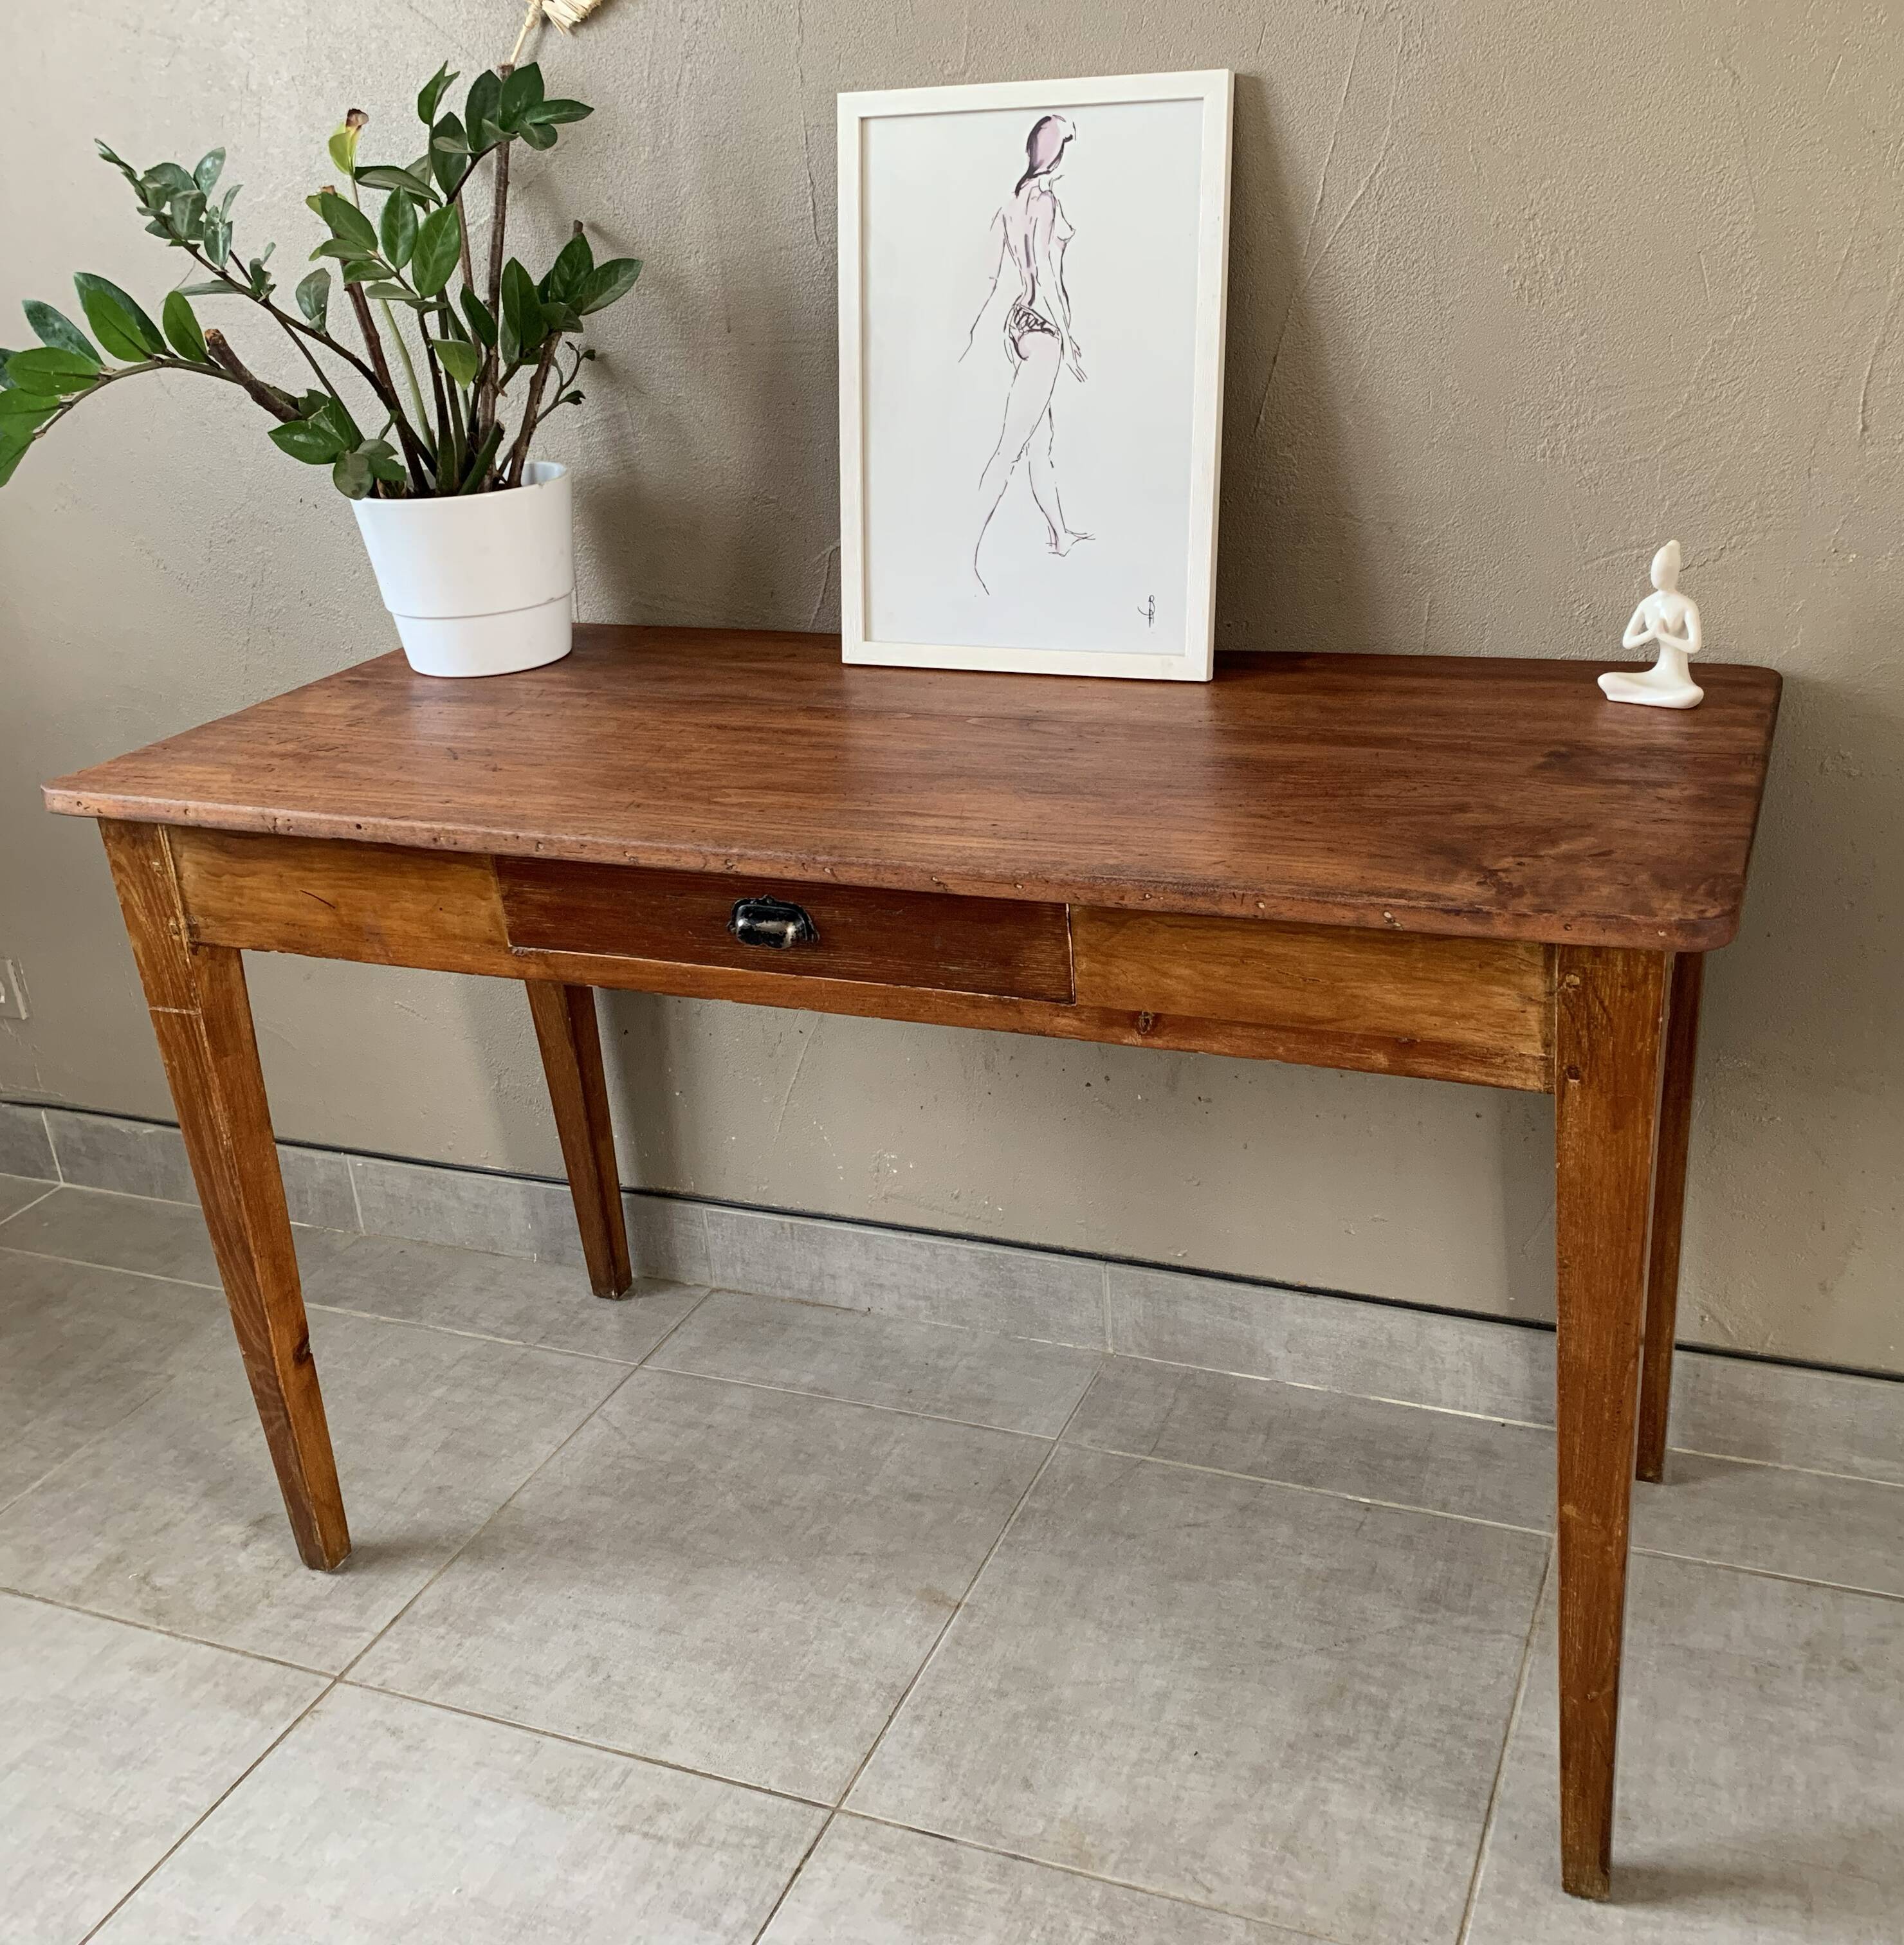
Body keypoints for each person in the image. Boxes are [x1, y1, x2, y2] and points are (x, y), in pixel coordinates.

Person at [962, 113, 1091, 589]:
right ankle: (964, 555)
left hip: (1018, 325)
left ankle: (1060, 535)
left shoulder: (1012, 201)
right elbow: (1047, 278)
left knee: (1040, 443)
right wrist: (1069, 340)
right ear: (1057, 155)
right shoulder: (1046, 202)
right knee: (1010, 450)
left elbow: (997, 275)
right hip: (1044, 331)